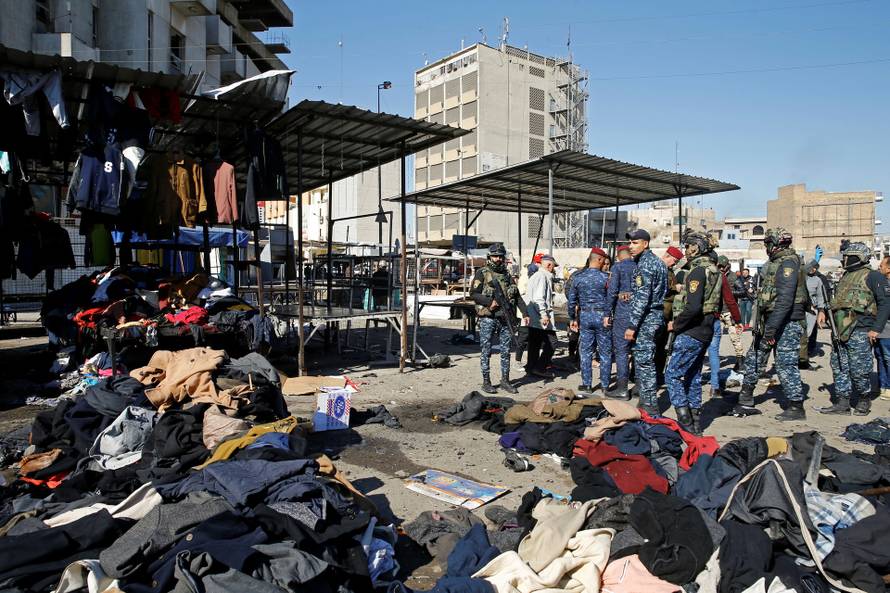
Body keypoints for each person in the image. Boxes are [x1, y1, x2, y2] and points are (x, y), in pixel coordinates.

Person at [733, 228, 809, 421]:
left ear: (775, 244)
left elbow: (785, 299)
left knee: (785, 363)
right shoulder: (774, 263)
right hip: (769, 321)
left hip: (786, 322)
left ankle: (796, 406)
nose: (766, 247)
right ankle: (746, 397)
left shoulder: (788, 262)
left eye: (768, 243)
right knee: (754, 359)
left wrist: (772, 328)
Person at [817, 242, 890, 416]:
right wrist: (823, 313)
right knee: (839, 366)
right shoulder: (846, 276)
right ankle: (842, 402)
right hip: (840, 330)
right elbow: (838, 302)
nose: (846, 259)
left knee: (860, 369)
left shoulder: (873, 277)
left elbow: (885, 304)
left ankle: (864, 399)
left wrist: (876, 329)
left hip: (861, 329)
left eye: (850, 257)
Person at [664, 232, 722, 434]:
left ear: (695, 248)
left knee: (672, 375)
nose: (685, 251)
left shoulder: (697, 272)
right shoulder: (715, 271)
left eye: (688, 246)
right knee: (693, 375)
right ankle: (696, 422)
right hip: (706, 328)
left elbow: (693, 307)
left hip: (692, 330)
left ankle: (685, 420)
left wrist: (676, 325)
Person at [608, 230, 668, 413]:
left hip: (647, 319)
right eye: (630, 243)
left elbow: (643, 297)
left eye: (635, 243)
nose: (631, 247)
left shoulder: (645, 265)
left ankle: (650, 405)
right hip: (656, 316)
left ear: (646, 244)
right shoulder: (657, 262)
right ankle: (644, 401)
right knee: (646, 360)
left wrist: (632, 325)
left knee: (644, 362)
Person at [470, 243, 529, 394]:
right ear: (489, 257)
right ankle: (486, 381)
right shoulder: (482, 273)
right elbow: (474, 294)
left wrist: (526, 313)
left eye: (500, 256)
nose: (497, 259)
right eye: (495, 256)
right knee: (486, 350)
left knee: (506, 351)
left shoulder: (507, 275)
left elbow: (517, 296)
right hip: (489, 318)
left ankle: (505, 380)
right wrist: (490, 302)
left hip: (505, 318)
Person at [567, 248, 612, 393]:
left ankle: (587, 385)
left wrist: (572, 318)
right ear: (599, 260)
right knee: (605, 352)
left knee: (585, 351)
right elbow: (612, 299)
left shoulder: (578, 277)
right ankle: (605, 385)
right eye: (603, 261)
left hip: (585, 317)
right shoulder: (606, 278)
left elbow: (572, 301)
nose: (604, 263)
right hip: (602, 317)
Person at [603, 244, 637, 399]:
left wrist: (607, 313)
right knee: (638, 351)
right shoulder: (640, 265)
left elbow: (612, 291)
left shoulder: (618, 268)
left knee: (621, 351)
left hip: (622, 313)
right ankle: (639, 387)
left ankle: (622, 388)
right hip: (639, 313)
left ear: (618, 256)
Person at [706, 255, 743, 398]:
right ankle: (715, 387)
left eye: (723, 267)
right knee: (713, 351)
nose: (721, 268)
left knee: (734, 339)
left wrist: (737, 318)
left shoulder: (731, 277)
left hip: (725, 313)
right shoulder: (719, 276)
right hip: (716, 315)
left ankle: (740, 360)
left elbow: (737, 294)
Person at [525, 254, 558, 378]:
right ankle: (540, 367)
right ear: (549, 265)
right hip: (539, 315)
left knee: (535, 343)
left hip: (533, 314)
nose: (554, 269)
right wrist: (544, 314)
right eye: (553, 266)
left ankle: (531, 367)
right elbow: (539, 298)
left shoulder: (536, 276)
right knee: (552, 342)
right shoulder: (542, 277)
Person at [655, 245, 684, 385]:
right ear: (667, 256)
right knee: (652, 347)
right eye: (674, 260)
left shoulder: (669, 270)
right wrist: (674, 288)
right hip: (658, 313)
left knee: (661, 347)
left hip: (666, 314)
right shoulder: (658, 268)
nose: (675, 264)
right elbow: (657, 288)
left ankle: (659, 374)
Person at [800, 261, 828, 369]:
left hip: (811, 310)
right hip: (798, 309)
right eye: (812, 267)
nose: (813, 270)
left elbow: (821, 296)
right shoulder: (798, 277)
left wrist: (821, 310)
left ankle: (803, 358)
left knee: (807, 334)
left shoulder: (817, 280)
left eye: (815, 268)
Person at [875, 256, 890, 401]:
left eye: (882, 265)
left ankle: (888, 387)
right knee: (880, 357)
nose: (880, 267)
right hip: (879, 330)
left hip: (887, 330)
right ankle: (883, 385)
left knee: (887, 358)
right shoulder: (881, 283)